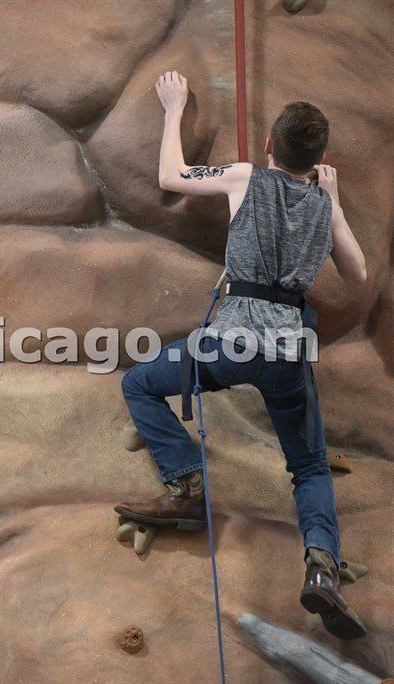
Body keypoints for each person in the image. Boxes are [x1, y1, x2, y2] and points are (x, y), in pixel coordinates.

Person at [114, 72, 368, 639]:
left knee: (138, 384)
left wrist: (175, 105)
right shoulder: (323, 206)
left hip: (228, 343)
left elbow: (169, 175)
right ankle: (322, 566)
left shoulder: (245, 176)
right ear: (320, 158)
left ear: (272, 146)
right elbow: (357, 275)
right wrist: (333, 203)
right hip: (287, 354)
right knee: (307, 464)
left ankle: (187, 484)